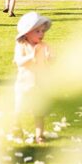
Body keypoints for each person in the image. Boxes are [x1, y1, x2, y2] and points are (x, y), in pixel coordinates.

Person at [13, 11, 53, 144]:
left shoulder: (44, 46)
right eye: (37, 31)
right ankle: (17, 129)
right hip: (24, 85)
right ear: (27, 33)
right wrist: (31, 56)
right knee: (18, 110)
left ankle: (39, 135)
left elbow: (51, 61)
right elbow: (19, 62)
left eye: (42, 31)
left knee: (39, 112)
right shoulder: (22, 46)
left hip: (39, 85)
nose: (41, 34)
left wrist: (50, 58)